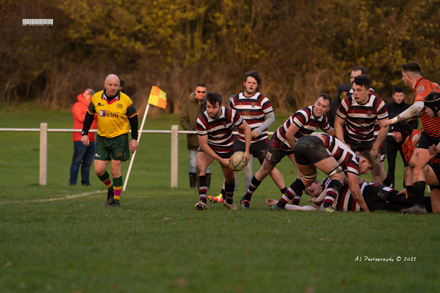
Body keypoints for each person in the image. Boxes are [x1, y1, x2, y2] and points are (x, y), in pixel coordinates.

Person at [241, 94, 334, 208]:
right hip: (279, 142)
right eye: (318, 104)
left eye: (324, 106)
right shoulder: (304, 114)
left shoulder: (322, 119)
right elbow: (289, 134)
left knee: (303, 173)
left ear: (328, 109)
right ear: (315, 103)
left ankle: (295, 204)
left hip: (294, 145)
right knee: (265, 170)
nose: (320, 108)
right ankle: (246, 198)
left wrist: (343, 130)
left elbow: (332, 133)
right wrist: (298, 152)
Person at [222, 70, 287, 209]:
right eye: (249, 82)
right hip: (241, 138)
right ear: (244, 83)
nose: (251, 85)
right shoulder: (235, 100)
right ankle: (225, 197)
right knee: (232, 166)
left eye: (254, 83)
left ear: (257, 85)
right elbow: (229, 119)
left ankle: (286, 195)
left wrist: (259, 129)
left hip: (260, 140)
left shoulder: (263, 99)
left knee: (269, 168)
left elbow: (271, 118)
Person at [382, 62, 440, 214]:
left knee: (415, 164)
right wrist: (422, 131)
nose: (402, 79)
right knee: (413, 164)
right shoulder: (430, 84)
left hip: (435, 136)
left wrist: (393, 120)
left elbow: (417, 107)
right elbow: (427, 112)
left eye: (402, 76)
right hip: (428, 134)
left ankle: (418, 205)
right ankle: (416, 205)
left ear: (408, 76)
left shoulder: (422, 86)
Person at [270, 133, 375, 212]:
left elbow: (340, 182)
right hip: (313, 144)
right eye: (368, 168)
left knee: (308, 179)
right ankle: (326, 206)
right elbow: (355, 191)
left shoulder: (348, 160)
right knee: (338, 176)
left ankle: (280, 204)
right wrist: (366, 210)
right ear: (363, 161)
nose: (367, 172)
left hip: (300, 143)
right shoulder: (354, 162)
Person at [81, 74, 139, 207]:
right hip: (102, 139)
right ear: (104, 84)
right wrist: (84, 133)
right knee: (99, 170)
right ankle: (111, 188)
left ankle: (116, 201)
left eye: (116, 85)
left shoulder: (125, 100)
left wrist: (134, 138)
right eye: (110, 85)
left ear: (119, 86)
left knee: (115, 170)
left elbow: (134, 119)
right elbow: (89, 116)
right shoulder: (96, 98)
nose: (113, 88)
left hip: (120, 139)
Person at [194, 92, 251, 211]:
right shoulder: (201, 120)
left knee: (230, 178)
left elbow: (247, 128)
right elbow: (204, 145)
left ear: (220, 106)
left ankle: (229, 202)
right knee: (199, 166)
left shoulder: (230, 113)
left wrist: (246, 151)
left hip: (226, 147)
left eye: (214, 107)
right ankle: (202, 202)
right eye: (208, 107)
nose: (210, 110)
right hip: (209, 147)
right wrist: (221, 160)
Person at [334, 75, 389, 184]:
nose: (355, 93)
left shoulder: (378, 103)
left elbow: (385, 126)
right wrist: (343, 143)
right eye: (354, 90)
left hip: (368, 140)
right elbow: (338, 124)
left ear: (368, 91)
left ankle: (376, 197)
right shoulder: (346, 102)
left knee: (376, 167)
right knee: (342, 171)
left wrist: (375, 146)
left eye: (359, 90)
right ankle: (342, 197)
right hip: (350, 139)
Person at [266, 178, 433, 213]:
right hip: (368, 206)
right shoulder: (319, 207)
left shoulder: (328, 181)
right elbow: (301, 208)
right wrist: (281, 203)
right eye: (307, 190)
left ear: (317, 182)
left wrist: (319, 197)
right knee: (402, 209)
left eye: (311, 186)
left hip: (369, 190)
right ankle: (433, 207)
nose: (310, 189)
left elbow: (340, 179)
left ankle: (426, 201)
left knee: (402, 198)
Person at [180, 83, 211, 188]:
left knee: (206, 164)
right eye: (199, 92)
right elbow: (183, 120)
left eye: (203, 92)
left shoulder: (210, 104)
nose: (201, 94)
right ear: (195, 92)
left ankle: (206, 186)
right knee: (193, 163)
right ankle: (193, 187)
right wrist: (191, 131)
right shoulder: (188, 105)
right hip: (193, 139)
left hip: (207, 140)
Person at [386, 88, 418, 187]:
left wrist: (407, 134)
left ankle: (407, 188)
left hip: (405, 141)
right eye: (397, 95)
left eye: (400, 95)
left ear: (404, 96)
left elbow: (415, 122)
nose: (399, 98)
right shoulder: (388, 108)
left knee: (407, 165)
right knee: (391, 167)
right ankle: (391, 190)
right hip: (391, 141)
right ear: (393, 96)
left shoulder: (409, 108)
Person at [69, 89, 97, 186]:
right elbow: (81, 118)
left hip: (92, 138)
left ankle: (85, 182)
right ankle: (72, 182)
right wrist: (93, 113)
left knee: (87, 162)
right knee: (77, 160)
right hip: (79, 138)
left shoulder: (95, 106)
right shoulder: (78, 105)